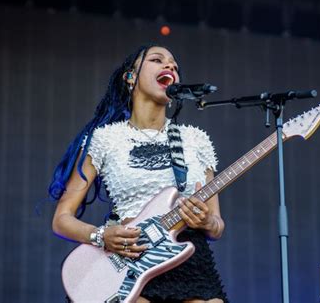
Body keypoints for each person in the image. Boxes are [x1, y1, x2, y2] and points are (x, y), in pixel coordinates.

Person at [50, 44, 228, 303]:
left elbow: (217, 225)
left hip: (188, 259)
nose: (170, 67)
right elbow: (62, 219)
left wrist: (206, 222)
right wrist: (102, 236)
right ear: (130, 77)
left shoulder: (195, 140)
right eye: (157, 60)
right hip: (130, 257)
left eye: (175, 66)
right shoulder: (104, 139)